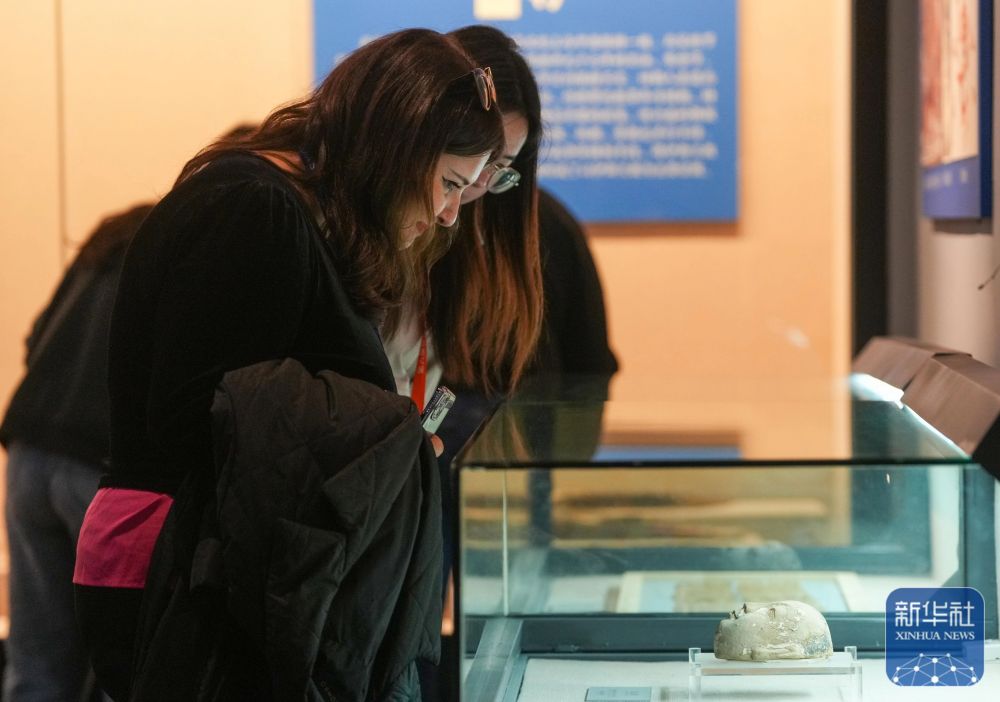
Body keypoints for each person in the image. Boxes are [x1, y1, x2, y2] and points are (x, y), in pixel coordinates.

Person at [71, 28, 505, 701]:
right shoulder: (255, 208)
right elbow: (206, 423)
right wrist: (379, 437)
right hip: (184, 573)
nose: (450, 215)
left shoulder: (289, 209)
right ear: (395, 147)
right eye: (449, 183)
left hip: (217, 570)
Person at [0, 204, 152, 702]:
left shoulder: (110, 238)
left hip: (29, 451)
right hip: (100, 466)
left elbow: (35, 338)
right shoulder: (174, 249)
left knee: (36, 660)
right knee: (117, 664)